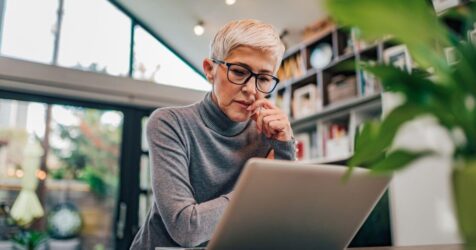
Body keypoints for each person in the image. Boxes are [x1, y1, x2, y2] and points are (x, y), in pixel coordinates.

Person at [130, 19, 296, 249]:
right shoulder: (170, 123)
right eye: (238, 72)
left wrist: (285, 146)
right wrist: (254, 193)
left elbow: (280, 221)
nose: (250, 89)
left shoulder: (269, 134)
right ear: (210, 70)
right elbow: (186, 229)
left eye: (264, 78)